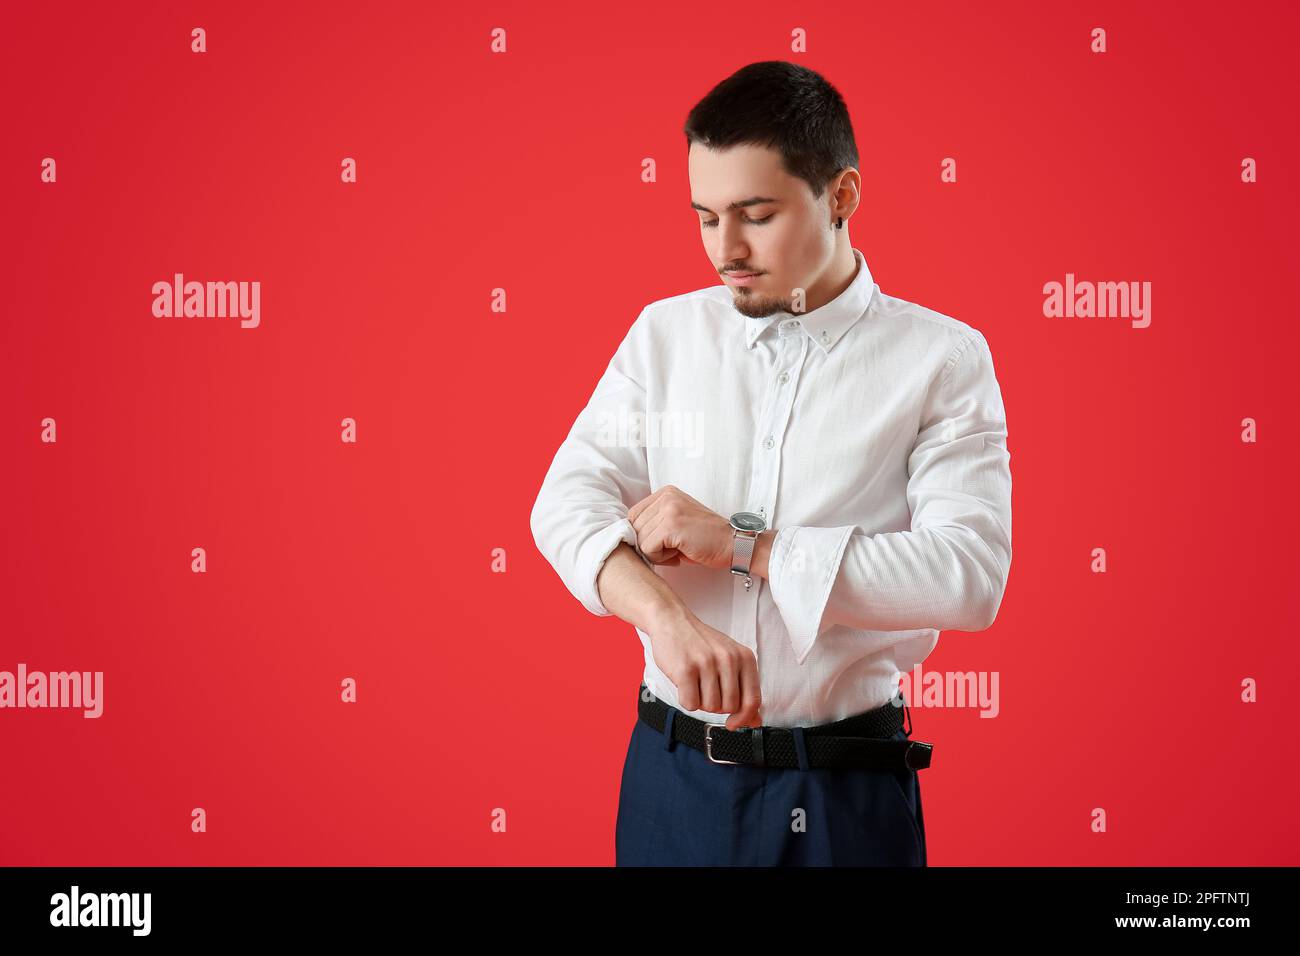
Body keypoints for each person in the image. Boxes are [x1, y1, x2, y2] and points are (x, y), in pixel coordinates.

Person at [529, 60, 1012, 866]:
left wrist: (748, 545)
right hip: (670, 781)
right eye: (706, 217)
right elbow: (565, 503)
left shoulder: (942, 359)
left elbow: (969, 576)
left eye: (756, 214)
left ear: (841, 196)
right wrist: (667, 620)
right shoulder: (664, 337)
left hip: (844, 797)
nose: (727, 250)